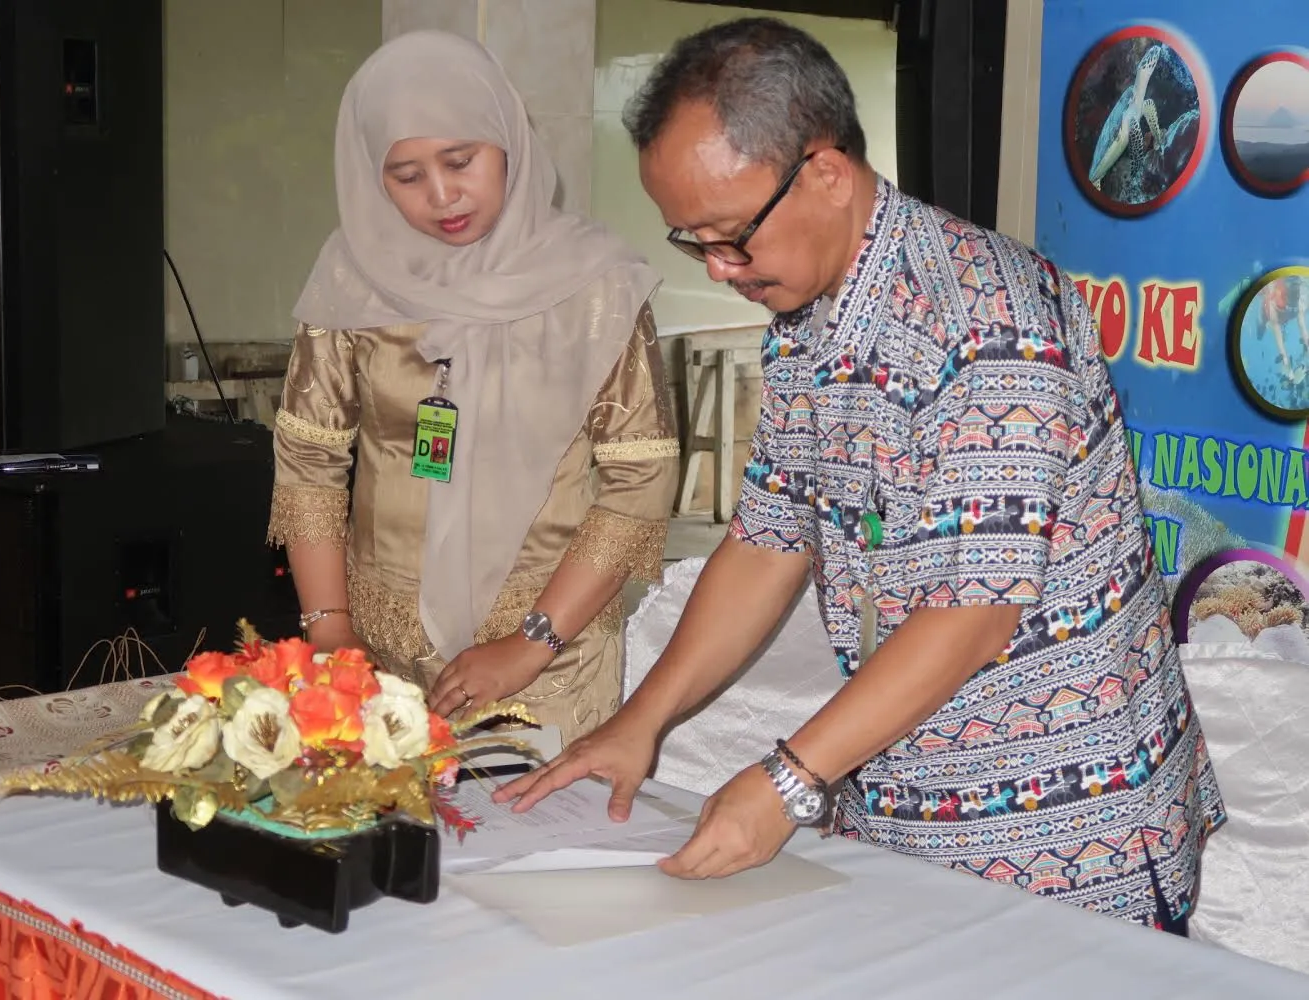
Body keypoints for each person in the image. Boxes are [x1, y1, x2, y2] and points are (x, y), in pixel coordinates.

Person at [498, 17, 1225, 932]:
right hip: (907, 808)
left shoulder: (987, 321)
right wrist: (640, 722)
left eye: (731, 237)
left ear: (827, 175)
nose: (718, 270)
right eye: (693, 242)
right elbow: (765, 542)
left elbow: (973, 611)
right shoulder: (808, 321)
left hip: (1067, 834)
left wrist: (787, 780)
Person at [267, 31, 678, 745]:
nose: (442, 195)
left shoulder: (594, 287)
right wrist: (330, 630)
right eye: (406, 175)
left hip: (549, 659)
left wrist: (531, 642)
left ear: (508, 143)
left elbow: (639, 478)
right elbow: (309, 459)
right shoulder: (354, 278)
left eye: (461, 161)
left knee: (534, 817)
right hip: (376, 652)